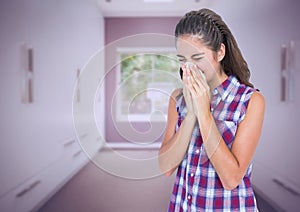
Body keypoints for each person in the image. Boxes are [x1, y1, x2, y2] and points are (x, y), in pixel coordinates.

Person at [158, 8, 265, 211]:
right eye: (182, 59)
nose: (188, 68)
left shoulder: (250, 101)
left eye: (197, 58)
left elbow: (231, 179)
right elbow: (166, 167)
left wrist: (204, 113)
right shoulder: (177, 98)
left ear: (220, 52)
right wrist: (190, 115)